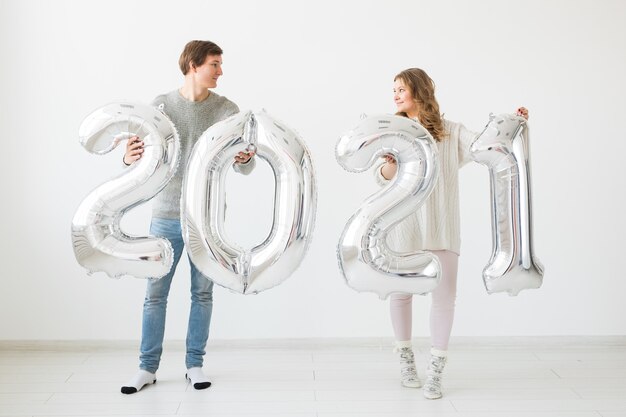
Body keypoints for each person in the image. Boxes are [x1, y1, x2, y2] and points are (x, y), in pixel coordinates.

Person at [377, 68, 528, 399]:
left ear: (419, 91)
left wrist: (512, 122)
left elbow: (483, 146)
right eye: (394, 90)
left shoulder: (450, 132)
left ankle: (435, 371)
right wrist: (390, 161)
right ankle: (405, 359)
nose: (396, 94)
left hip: (443, 226)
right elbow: (384, 175)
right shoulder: (395, 132)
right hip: (404, 226)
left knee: (444, 298)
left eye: (401, 88)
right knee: (401, 292)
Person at [120, 40, 255, 394]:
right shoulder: (161, 106)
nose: (221, 71)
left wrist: (244, 158)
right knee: (155, 294)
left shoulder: (227, 110)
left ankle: (194, 365)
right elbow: (141, 156)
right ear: (194, 65)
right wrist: (128, 157)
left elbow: (246, 164)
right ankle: (146, 368)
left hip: (206, 219)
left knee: (203, 293)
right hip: (164, 214)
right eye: (215, 64)